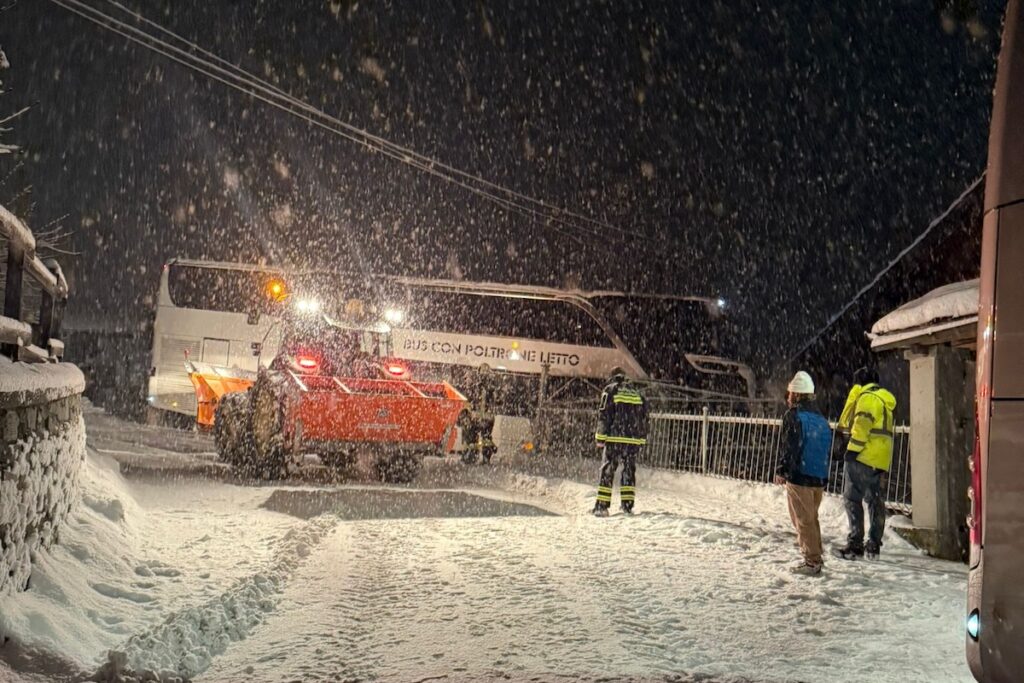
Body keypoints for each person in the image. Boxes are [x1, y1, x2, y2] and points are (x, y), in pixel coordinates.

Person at [833, 366, 897, 560]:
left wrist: (851, 450)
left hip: (863, 456)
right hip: (881, 459)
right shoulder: (885, 401)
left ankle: (855, 545)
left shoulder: (867, 397)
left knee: (852, 499)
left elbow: (861, 426)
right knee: (875, 502)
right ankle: (874, 545)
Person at [773, 371, 831, 576]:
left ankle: (812, 561)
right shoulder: (820, 419)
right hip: (818, 477)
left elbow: (791, 446)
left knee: (802, 519)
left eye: (789, 393)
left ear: (796, 395)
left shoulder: (794, 416)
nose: (787, 397)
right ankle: (816, 554)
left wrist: (782, 470)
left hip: (800, 476)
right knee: (811, 517)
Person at [592, 370, 649, 516]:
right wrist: (641, 439)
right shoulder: (637, 393)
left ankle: (602, 507)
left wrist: (600, 437)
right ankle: (627, 506)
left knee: (608, 471)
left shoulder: (610, 390)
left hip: (615, 438)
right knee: (629, 471)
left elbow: (605, 415)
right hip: (632, 440)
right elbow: (645, 417)